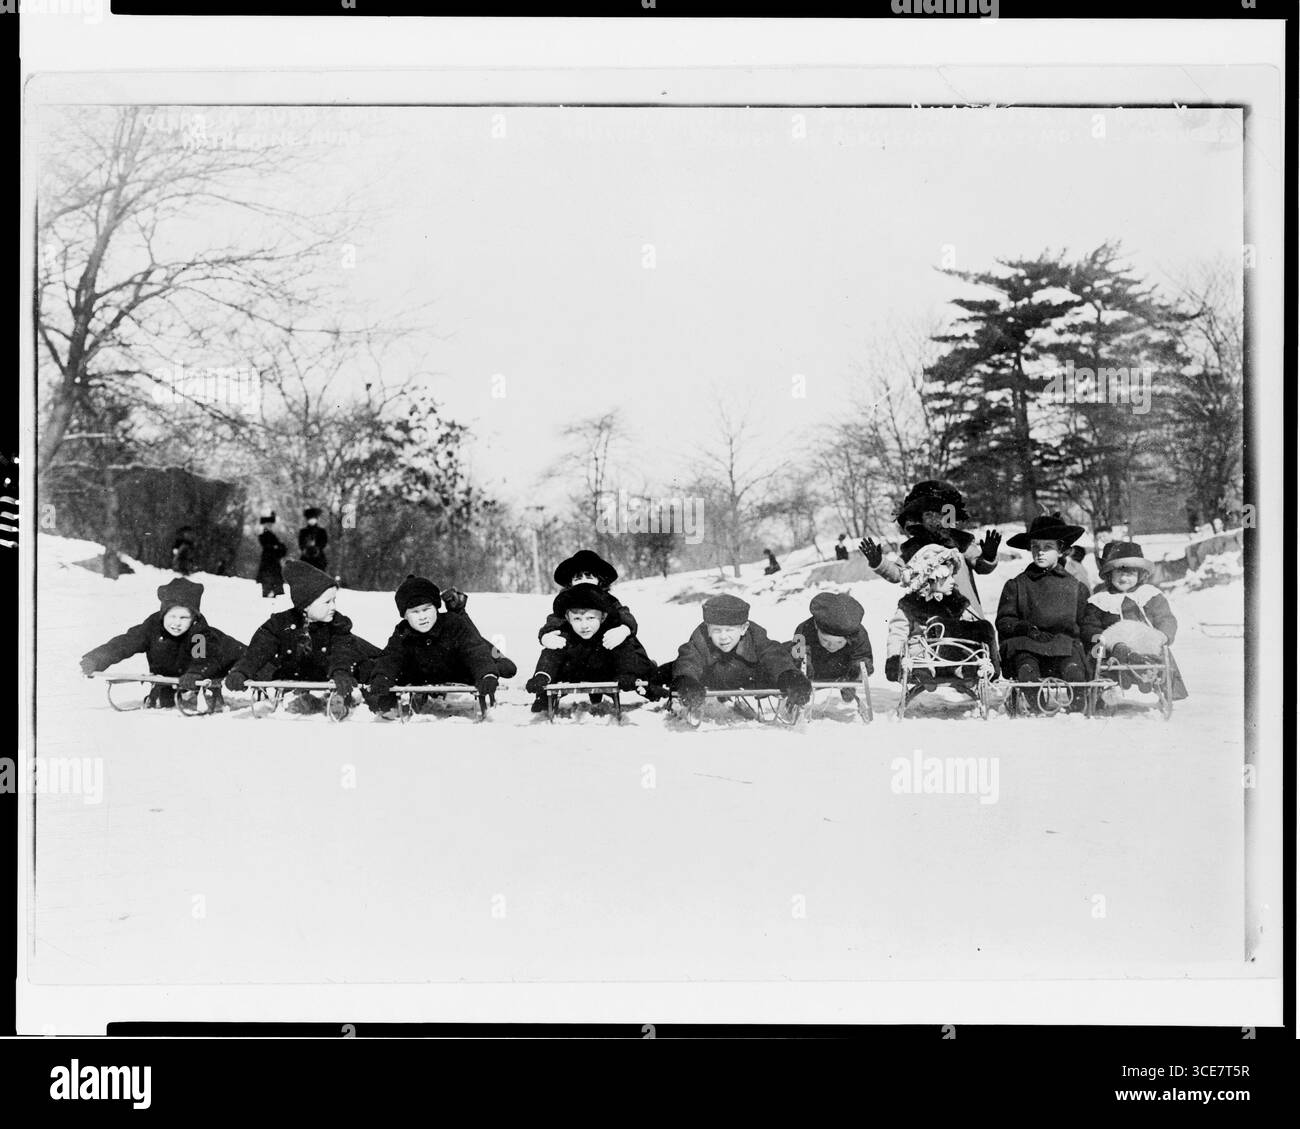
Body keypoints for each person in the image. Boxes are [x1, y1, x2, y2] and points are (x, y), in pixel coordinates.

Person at [224, 559, 379, 715]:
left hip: (329, 669)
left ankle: (366, 699)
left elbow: (343, 650)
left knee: (367, 662)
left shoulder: (338, 625)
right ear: (306, 605)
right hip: (296, 670)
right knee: (267, 666)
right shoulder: (280, 624)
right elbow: (258, 650)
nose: (333, 606)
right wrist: (242, 671)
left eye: (334, 600)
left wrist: (341, 671)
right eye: (327, 602)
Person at [79, 577, 245, 710]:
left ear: (193, 619)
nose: (176, 623)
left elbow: (203, 658)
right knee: (165, 701)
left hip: (224, 656)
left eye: (184, 618)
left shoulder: (198, 634)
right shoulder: (152, 627)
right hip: (172, 672)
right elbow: (124, 644)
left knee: (248, 660)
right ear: (163, 615)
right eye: (172, 616)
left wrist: (196, 674)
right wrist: (96, 659)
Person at [367, 575, 513, 721]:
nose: (422, 617)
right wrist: (382, 677)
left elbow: (474, 650)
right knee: (383, 671)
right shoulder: (403, 632)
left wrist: (487, 673)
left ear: (436, 608)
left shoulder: (453, 624)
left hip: (457, 670)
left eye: (426, 609)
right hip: (421, 674)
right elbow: (391, 657)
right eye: (414, 612)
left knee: (503, 667)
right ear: (405, 616)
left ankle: (497, 661)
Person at [858, 480, 1000, 617]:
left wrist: (989, 556)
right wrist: (879, 562)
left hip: (966, 611)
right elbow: (899, 574)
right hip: (930, 613)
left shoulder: (960, 540)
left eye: (939, 514)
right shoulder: (914, 547)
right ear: (919, 518)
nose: (934, 519)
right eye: (928, 514)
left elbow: (981, 567)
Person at [995, 513, 1091, 708]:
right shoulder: (1017, 585)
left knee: (1073, 666)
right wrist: (1026, 629)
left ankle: (1078, 704)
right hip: (1027, 644)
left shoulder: (1076, 588)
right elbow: (1004, 621)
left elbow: (1085, 624)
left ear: (1061, 550)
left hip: (1064, 647)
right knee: (1026, 666)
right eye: (1035, 547)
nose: (1040, 552)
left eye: (1047, 547)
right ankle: (1036, 703)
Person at [884, 544, 999, 705]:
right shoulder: (911, 605)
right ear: (930, 578)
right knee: (923, 650)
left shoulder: (957, 602)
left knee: (976, 629)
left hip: (954, 656)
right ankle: (923, 673)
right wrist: (894, 657)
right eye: (947, 577)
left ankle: (966, 670)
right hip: (923, 655)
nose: (953, 581)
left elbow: (972, 624)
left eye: (953, 576)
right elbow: (897, 632)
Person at [523, 585, 660, 713]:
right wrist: (542, 675)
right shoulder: (565, 634)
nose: (584, 625)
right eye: (577, 619)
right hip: (575, 673)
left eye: (590, 618)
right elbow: (550, 655)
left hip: (606, 672)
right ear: (567, 618)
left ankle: (651, 687)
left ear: (603, 617)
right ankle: (543, 696)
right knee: (555, 645)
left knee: (628, 653)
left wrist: (628, 674)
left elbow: (625, 651)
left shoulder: (609, 634)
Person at [664, 593, 810, 710]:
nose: (723, 637)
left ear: (743, 629)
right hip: (711, 678)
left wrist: (788, 675)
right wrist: (687, 681)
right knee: (672, 669)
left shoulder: (755, 636)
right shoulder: (700, 639)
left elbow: (773, 654)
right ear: (708, 628)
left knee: (784, 654)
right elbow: (688, 660)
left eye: (729, 630)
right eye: (717, 630)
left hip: (748, 678)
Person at [1081, 542, 1187, 701]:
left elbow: (1166, 618)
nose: (1124, 578)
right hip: (1113, 648)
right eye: (1119, 573)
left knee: (1155, 650)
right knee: (1113, 651)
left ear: (1140, 574)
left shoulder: (1149, 595)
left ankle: (1146, 674)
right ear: (1110, 574)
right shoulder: (1100, 600)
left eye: (1130, 573)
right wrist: (1100, 638)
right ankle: (1128, 675)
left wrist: (1163, 635)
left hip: (1147, 644)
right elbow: (1089, 625)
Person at [537, 549, 639, 651]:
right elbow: (554, 621)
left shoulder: (608, 600)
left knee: (625, 640)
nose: (584, 582)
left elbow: (624, 615)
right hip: (576, 651)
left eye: (589, 578)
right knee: (555, 643)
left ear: (599, 581)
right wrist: (546, 636)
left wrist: (624, 629)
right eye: (578, 579)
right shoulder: (566, 602)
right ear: (571, 584)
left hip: (604, 649)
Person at [791, 591, 874, 702]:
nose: (831, 646)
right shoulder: (803, 629)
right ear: (816, 627)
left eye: (839, 642)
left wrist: (854, 676)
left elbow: (863, 657)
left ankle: (847, 684)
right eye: (825, 640)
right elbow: (797, 657)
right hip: (814, 667)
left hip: (843, 669)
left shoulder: (859, 634)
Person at [256, 511, 288, 598]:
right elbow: (269, 547)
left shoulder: (273, 536)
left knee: (276, 583)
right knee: (268, 581)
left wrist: (278, 548)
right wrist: (276, 547)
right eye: (267, 524)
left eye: (270, 524)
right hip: (268, 562)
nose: (269, 526)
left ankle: (273, 592)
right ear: (264, 525)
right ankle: (269, 592)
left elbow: (281, 548)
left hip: (273, 562)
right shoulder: (264, 535)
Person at [298, 507, 329, 571]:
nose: (312, 520)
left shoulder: (321, 531)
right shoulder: (303, 531)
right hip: (306, 557)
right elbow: (301, 544)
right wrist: (307, 547)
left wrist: (316, 547)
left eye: (313, 518)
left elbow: (324, 542)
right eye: (310, 518)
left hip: (318, 558)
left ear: (316, 519)